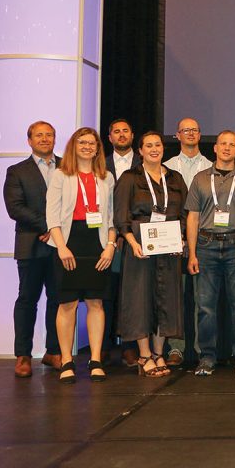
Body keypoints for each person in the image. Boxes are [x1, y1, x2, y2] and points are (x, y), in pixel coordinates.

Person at [185, 130, 235, 376]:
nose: (228, 148)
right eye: (223, 144)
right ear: (215, 148)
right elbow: (193, 218)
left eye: (232, 145)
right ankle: (206, 357)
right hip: (206, 246)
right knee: (205, 307)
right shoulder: (199, 178)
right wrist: (192, 254)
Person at [45, 127, 117, 383]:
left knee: (97, 302)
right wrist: (61, 246)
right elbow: (52, 216)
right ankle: (67, 360)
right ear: (73, 146)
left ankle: (95, 359)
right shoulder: (60, 175)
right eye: (82, 142)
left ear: (98, 148)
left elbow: (110, 218)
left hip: (97, 242)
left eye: (92, 143)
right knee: (68, 304)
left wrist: (111, 246)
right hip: (68, 242)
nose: (87, 146)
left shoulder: (106, 177)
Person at [114, 131, 188, 377]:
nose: (154, 149)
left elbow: (185, 215)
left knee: (165, 300)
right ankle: (144, 355)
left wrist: (183, 239)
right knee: (140, 300)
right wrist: (132, 243)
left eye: (158, 145)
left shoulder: (175, 178)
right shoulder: (129, 178)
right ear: (141, 151)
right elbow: (121, 216)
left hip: (168, 247)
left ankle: (159, 354)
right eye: (149, 145)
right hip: (140, 247)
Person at [4, 120, 62, 377]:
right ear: (29, 140)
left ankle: (53, 351)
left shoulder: (67, 167)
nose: (44, 139)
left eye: (49, 135)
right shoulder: (16, 171)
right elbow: (15, 208)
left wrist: (57, 232)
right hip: (31, 244)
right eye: (39, 135)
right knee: (27, 300)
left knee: (58, 300)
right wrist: (49, 227)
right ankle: (23, 355)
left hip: (61, 247)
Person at [163, 117, 212, 366]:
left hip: (204, 239)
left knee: (203, 299)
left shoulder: (212, 167)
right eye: (186, 130)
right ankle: (176, 347)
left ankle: (203, 349)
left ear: (200, 134)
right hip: (173, 240)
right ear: (177, 135)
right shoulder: (166, 167)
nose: (190, 134)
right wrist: (179, 236)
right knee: (176, 296)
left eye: (195, 130)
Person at [105, 118, 138, 367]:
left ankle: (129, 347)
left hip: (133, 237)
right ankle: (104, 346)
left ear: (132, 135)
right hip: (105, 237)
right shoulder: (99, 164)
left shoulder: (144, 163)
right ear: (110, 138)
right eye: (116, 131)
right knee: (106, 293)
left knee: (131, 295)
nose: (121, 134)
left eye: (125, 130)